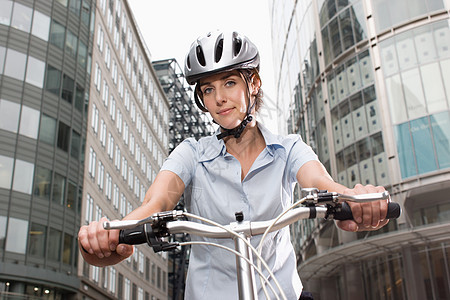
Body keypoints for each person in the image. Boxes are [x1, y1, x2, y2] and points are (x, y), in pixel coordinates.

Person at [78, 31, 389, 299]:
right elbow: (155, 203)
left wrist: (356, 200)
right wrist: (110, 235)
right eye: (208, 89)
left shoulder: (289, 148)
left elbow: (324, 185)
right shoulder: (192, 154)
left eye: (228, 82)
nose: (219, 99)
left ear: (253, 83)